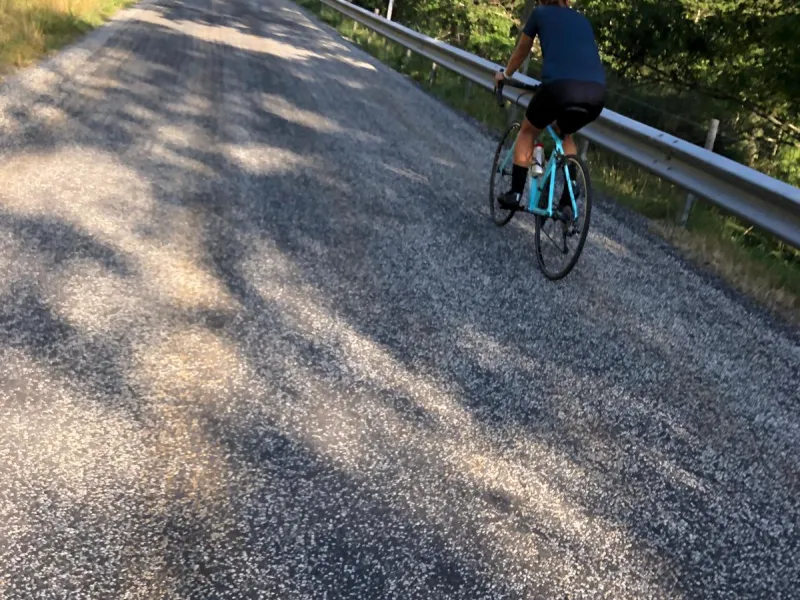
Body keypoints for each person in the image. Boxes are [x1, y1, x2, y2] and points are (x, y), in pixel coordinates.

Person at [494, 0, 606, 210]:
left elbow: (522, 50)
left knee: (527, 131)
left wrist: (506, 74)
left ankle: (515, 194)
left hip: (559, 88)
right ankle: (569, 193)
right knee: (564, 133)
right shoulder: (582, 20)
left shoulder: (540, 13)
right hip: (596, 92)